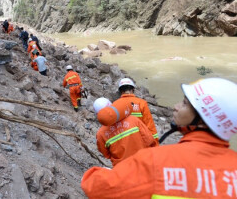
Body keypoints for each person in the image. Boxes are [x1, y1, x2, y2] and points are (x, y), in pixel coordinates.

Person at [81, 78, 237, 198]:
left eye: (184, 103)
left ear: (204, 118)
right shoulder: (139, 108)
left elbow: (96, 186)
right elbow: (149, 130)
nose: (176, 106)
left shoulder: (156, 162)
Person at [93, 97, 156, 167]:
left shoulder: (101, 134)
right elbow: (149, 140)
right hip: (142, 162)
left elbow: (106, 155)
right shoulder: (133, 119)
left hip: (121, 170)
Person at [115, 78, 159, 144]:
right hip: (140, 140)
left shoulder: (115, 104)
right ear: (133, 90)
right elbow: (150, 125)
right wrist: (155, 144)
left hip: (123, 142)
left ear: (120, 91)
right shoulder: (142, 103)